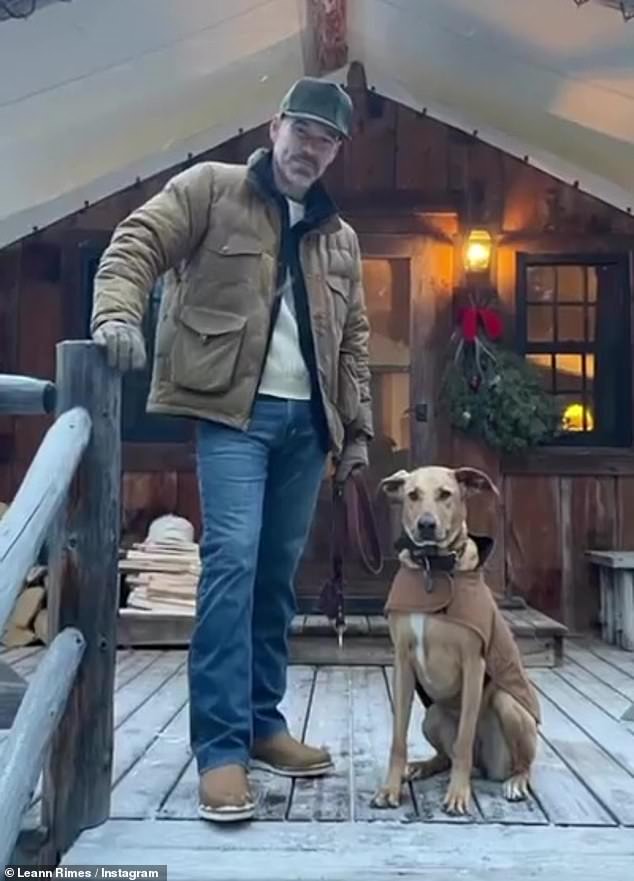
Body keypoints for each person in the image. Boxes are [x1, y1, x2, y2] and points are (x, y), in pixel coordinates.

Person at [90, 77, 373, 823]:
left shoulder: (339, 237)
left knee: (276, 577)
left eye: (327, 139)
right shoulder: (210, 190)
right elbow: (135, 243)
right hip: (231, 418)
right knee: (232, 565)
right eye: (303, 130)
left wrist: (356, 436)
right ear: (276, 123)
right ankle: (220, 749)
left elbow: (353, 345)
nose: (311, 148)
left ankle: (262, 722)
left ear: (338, 150)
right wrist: (118, 315)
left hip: (308, 427)